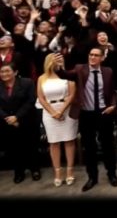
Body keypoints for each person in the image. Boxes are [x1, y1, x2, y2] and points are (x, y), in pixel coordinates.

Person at [56, 49, 117, 191]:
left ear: (102, 58)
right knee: (89, 147)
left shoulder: (108, 71)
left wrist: (113, 105)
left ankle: (112, 174)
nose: (92, 57)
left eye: (96, 55)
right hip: (86, 114)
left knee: (108, 146)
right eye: (90, 54)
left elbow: (113, 92)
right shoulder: (80, 69)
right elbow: (64, 75)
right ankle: (92, 177)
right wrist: (59, 67)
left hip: (104, 113)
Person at [37, 53, 77, 187]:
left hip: (67, 110)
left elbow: (72, 94)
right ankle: (58, 173)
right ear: (49, 61)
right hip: (49, 112)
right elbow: (41, 98)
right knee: (53, 143)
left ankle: (70, 172)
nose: (59, 61)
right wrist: (53, 112)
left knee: (69, 141)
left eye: (61, 59)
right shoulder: (42, 78)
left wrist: (61, 110)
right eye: (56, 59)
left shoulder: (68, 75)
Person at [1, 62, 40, 183]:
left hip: (27, 120)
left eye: (7, 71)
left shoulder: (27, 82)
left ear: (15, 72)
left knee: (31, 146)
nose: (4, 74)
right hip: (7, 122)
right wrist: (9, 118)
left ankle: (35, 169)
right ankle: (19, 172)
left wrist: (17, 117)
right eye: (2, 71)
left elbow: (31, 101)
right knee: (13, 148)